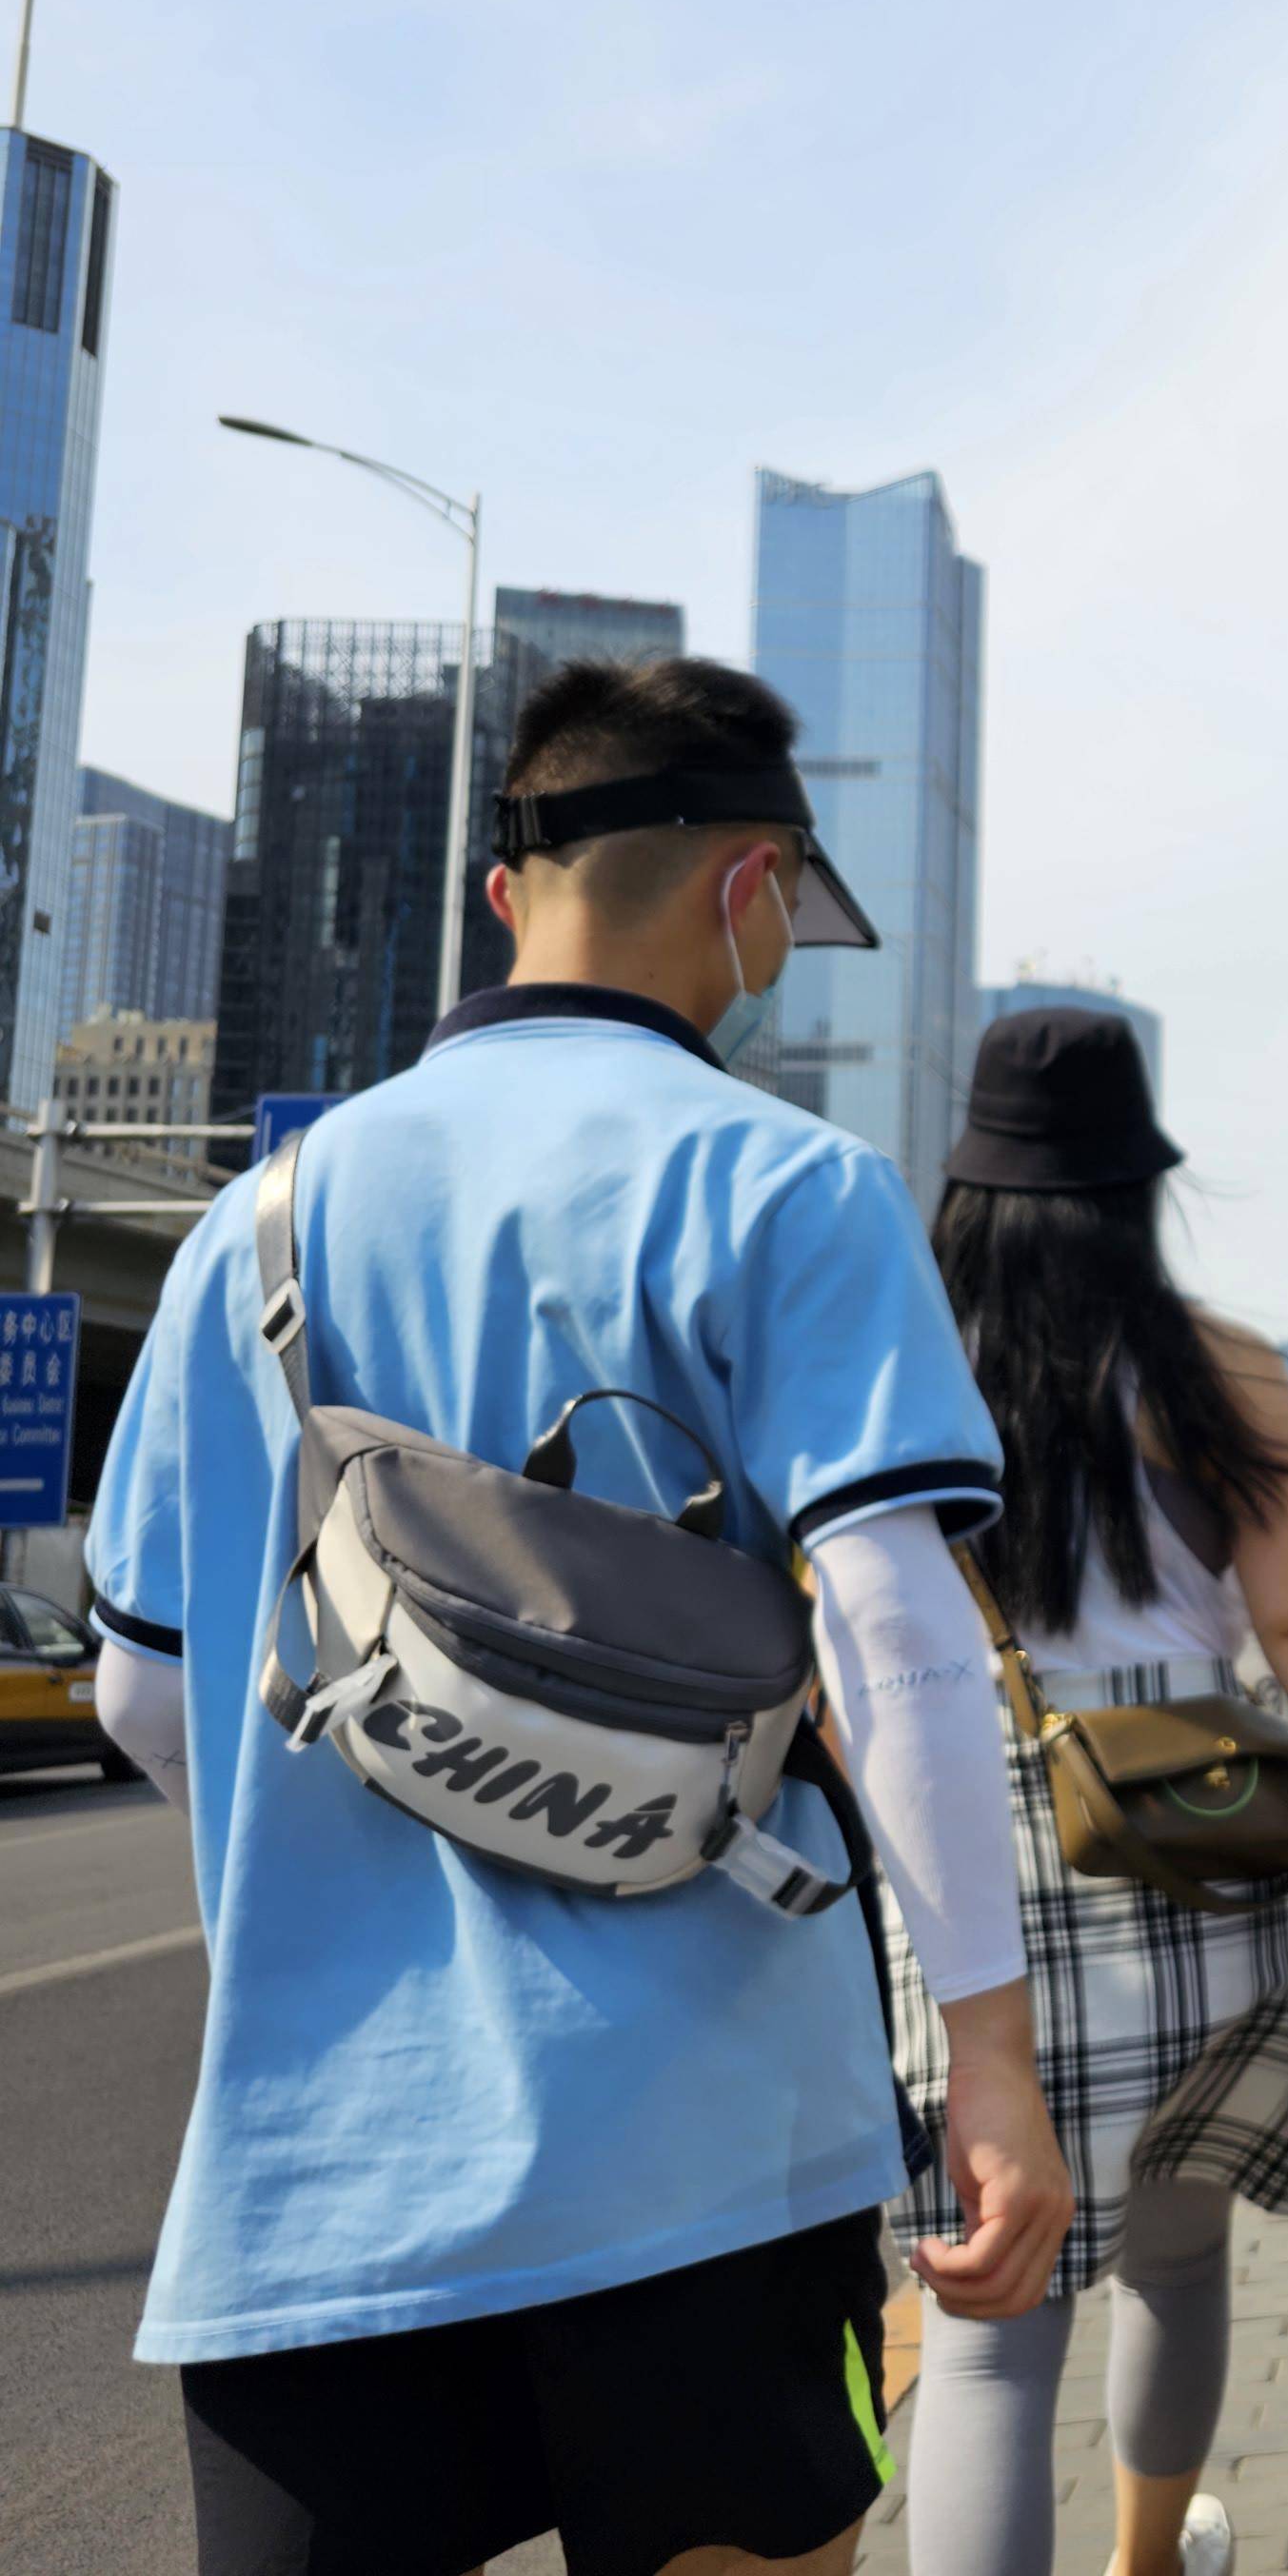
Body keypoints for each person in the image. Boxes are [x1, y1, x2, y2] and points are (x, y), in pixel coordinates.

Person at [83, 655, 1070, 2576]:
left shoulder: (251, 1227)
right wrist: (995, 2070)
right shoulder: (785, 1186)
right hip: (710, 2153)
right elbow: (898, 1644)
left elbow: (144, 1696)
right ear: (748, 890)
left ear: (501, 896)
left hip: (318, 2185)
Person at [890, 1008, 1288, 2576]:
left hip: (976, 1845)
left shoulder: (901, 1368)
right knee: (1176, 2264)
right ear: (1138, 1185)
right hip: (1202, 1824)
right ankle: (1144, 2566)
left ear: (970, 1188)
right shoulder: (1225, 1372)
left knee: (990, 2328)